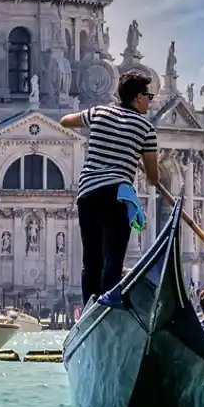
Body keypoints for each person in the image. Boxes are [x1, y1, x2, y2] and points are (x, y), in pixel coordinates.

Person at [61, 71, 161, 304]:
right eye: (149, 96)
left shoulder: (100, 112)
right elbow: (153, 178)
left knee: (91, 259)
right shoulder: (146, 129)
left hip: (88, 193)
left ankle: (90, 307)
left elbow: (66, 121)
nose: (150, 100)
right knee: (113, 259)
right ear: (138, 97)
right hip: (116, 194)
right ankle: (109, 308)